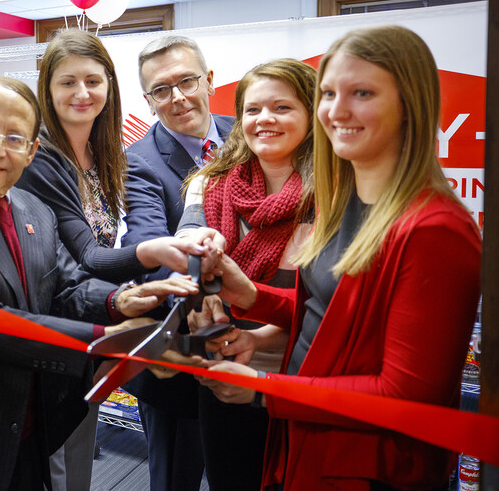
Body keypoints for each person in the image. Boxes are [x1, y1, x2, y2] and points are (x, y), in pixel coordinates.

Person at [202, 25, 481, 490]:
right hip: (309, 444)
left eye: (363, 92)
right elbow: (339, 320)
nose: (337, 110)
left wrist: (263, 391)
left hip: (367, 466)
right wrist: (254, 296)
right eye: (328, 93)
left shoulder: (436, 229)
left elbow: (406, 394)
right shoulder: (348, 201)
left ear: (410, 105)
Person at [0, 77, 199, 491]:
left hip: (32, 425)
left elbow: (67, 286)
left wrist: (122, 299)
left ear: (32, 150)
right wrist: (107, 338)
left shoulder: (31, 206)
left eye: (15, 137)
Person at [16, 29, 213, 491]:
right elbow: (85, 254)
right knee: (56, 465)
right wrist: (154, 256)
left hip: (98, 322)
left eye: (93, 80)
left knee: (77, 459)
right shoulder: (42, 157)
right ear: (47, 88)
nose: (82, 93)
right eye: (67, 82)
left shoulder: (107, 155)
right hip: (59, 327)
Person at [175, 58, 317, 490]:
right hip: (222, 376)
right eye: (253, 110)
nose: (265, 120)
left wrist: (258, 339)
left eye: (282, 108)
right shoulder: (210, 182)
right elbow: (190, 252)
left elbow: (328, 311)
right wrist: (202, 290)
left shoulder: (336, 194)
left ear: (313, 115)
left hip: (299, 383)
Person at [122, 35, 234, 491]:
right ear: (149, 102)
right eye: (161, 90)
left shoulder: (244, 133)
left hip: (250, 344)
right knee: (175, 479)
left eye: (186, 81)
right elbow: (148, 246)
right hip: (176, 354)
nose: (178, 98)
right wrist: (200, 279)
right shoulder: (137, 163)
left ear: (209, 81)